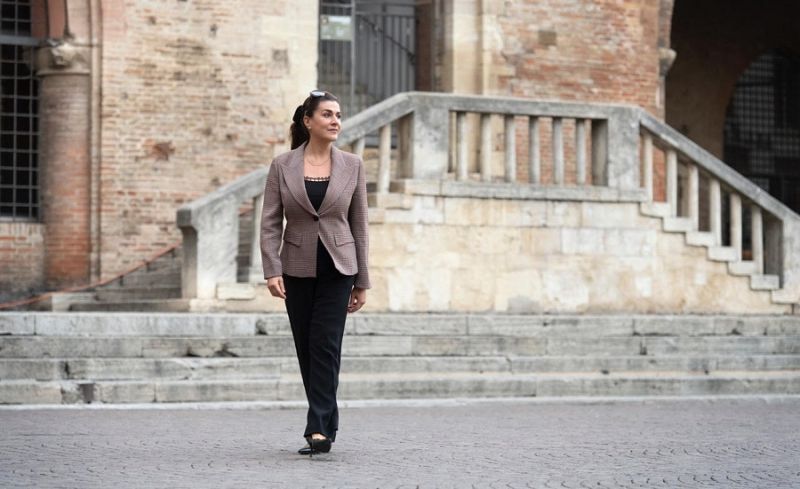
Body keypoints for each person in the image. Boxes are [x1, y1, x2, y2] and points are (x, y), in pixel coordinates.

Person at [260, 90, 370, 456]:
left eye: (338, 114)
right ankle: (327, 419)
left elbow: (360, 225)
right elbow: (271, 222)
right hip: (297, 267)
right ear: (308, 121)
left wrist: (363, 280)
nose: (335, 120)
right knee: (307, 348)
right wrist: (271, 268)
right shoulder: (282, 165)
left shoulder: (353, 165)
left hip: (339, 268)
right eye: (327, 114)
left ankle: (318, 428)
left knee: (325, 345)